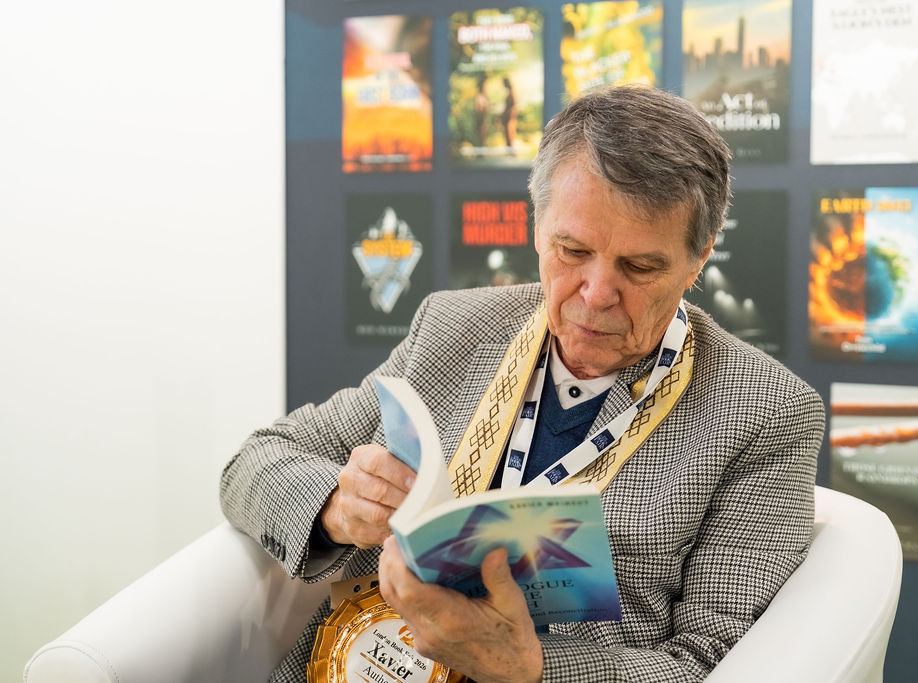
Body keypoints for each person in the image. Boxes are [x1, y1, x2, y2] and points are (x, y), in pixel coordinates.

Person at [220, 85, 825, 682]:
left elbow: (710, 661)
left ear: (700, 257)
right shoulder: (454, 326)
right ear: (538, 228)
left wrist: (530, 669)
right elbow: (255, 461)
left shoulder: (767, 412)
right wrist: (335, 506)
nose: (596, 294)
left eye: (640, 267)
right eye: (572, 250)